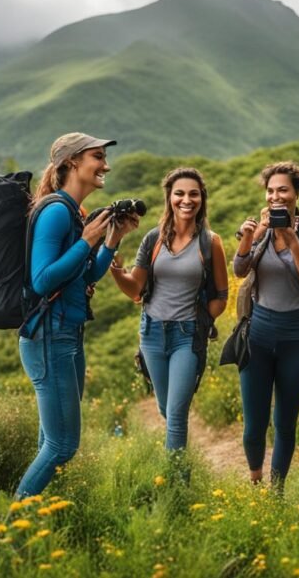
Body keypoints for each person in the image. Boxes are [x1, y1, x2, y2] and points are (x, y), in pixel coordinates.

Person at [16, 132, 140, 499]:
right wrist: (87, 241)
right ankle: (13, 532)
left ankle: (36, 523)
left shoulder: (76, 213)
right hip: (49, 336)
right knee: (62, 446)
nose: (106, 165)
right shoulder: (56, 212)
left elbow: (84, 277)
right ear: (71, 163)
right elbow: (41, 281)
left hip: (68, 335)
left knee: (50, 442)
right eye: (97, 157)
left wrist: (112, 240)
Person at [108, 167, 228, 451]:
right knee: (165, 408)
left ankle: (177, 483)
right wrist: (115, 271)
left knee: (176, 415)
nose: (187, 200)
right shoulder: (153, 239)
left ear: (202, 199)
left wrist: (203, 321)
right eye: (180, 194)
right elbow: (136, 289)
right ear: (169, 198)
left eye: (193, 194)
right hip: (151, 334)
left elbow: (221, 295)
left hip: (187, 337)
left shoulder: (210, 242)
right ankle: (178, 466)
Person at [232, 161, 299, 492]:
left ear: (297, 192)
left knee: (284, 423)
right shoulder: (261, 229)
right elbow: (239, 270)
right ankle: (256, 482)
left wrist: (291, 241)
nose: (276, 197)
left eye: (283, 190)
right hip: (258, 334)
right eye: (271, 190)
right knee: (254, 424)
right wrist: (250, 238)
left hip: (298, 337)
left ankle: (277, 492)